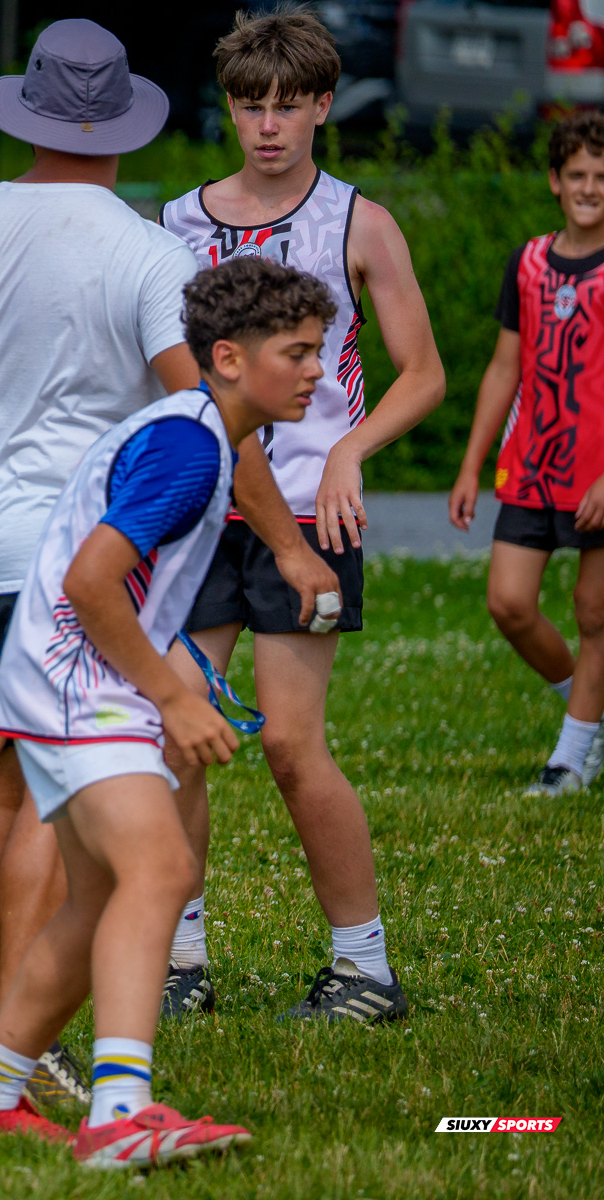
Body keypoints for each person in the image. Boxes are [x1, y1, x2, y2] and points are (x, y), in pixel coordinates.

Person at [0, 17, 338, 1095]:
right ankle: (28, 1047)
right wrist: (289, 545)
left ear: (26, 116)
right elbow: (207, 411)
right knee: (51, 797)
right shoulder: (147, 254)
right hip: (81, 557)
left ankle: (14, 1032)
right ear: (123, 128)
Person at [0, 256, 331, 1168]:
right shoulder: (191, 448)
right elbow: (87, 579)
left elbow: (65, 562)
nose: (316, 371)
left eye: (318, 350)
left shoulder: (191, 434)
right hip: (84, 691)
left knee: (101, 897)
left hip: (63, 685)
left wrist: (3, 693)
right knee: (160, 869)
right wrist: (174, 696)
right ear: (228, 358)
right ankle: (118, 1114)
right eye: (297, 352)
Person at [157, 7, 444, 1022]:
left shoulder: (360, 221)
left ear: (324, 105)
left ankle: (364, 968)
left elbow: (423, 373)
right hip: (199, 515)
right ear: (228, 109)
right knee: (173, 731)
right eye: (250, 105)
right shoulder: (175, 224)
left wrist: (351, 453)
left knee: (288, 745)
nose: (268, 125)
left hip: (310, 522)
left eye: (287, 105)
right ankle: (179, 961)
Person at [451, 110, 604, 796]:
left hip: (599, 473)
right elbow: (504, 367)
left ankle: (571, 758)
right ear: (554, 181)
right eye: (578, 174)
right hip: (535, 465)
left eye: (602, 175)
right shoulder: (530, 262)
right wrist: (471, 464)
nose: (590, 187)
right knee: (509, 603)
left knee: (595, 611)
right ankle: (590, 711)